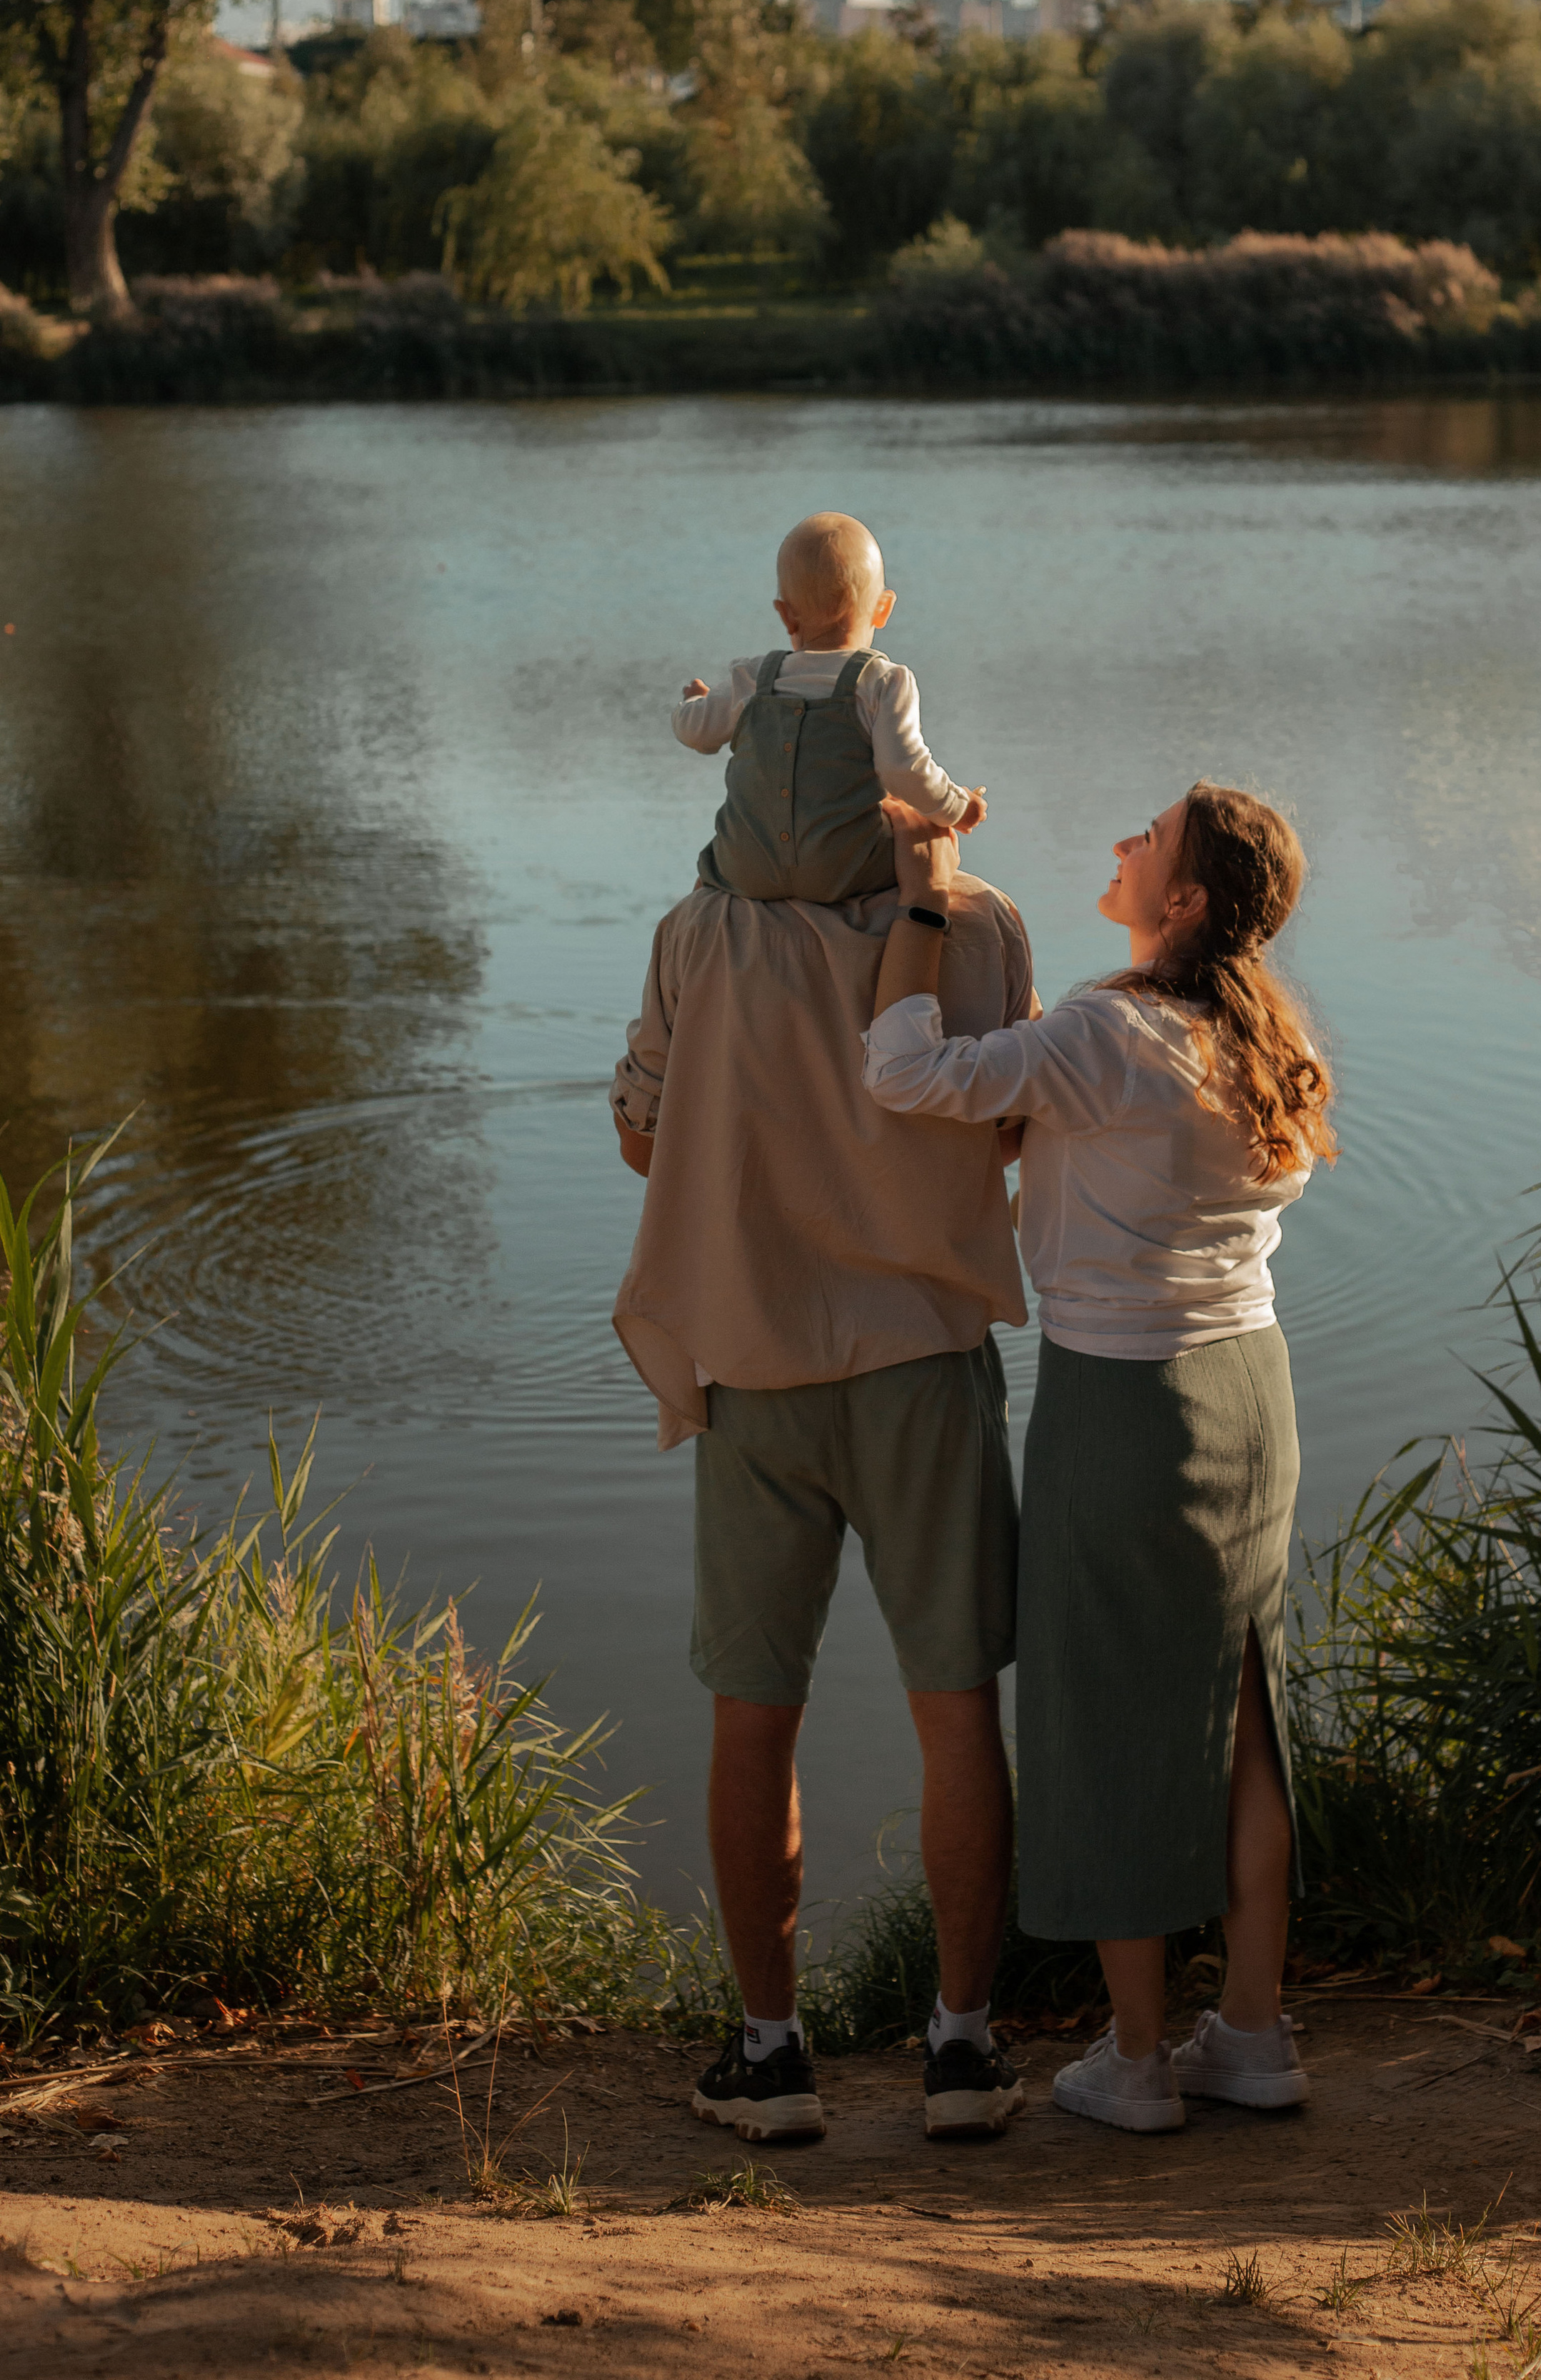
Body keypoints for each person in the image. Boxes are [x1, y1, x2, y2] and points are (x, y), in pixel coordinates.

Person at [862, 781, 1336, 2134]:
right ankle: (1251, 2032)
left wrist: (922, 897)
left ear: (1181, 901)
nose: (1123, 842)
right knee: (1241, 1718)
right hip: (1253, 1391)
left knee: (1102, 1714)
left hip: (1121, 1402)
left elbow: (904, 1076)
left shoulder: (1102, 1034)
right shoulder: (1254, 1035)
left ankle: (1136, 2062)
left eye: (1151, 840)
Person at [611, 844, 1033, 2147]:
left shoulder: (699, 930)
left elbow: (640, 1139)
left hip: (757, 1361)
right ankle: (961, 2050)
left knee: (756, 1713)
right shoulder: (981, 921)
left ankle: (771, 2056)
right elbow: (1012, 1125)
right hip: (924, 1360)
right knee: (957, 1708)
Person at [671, 510, 987, 905]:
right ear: (884, 608)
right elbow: (902, 769)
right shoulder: (883, 680)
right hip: (845, 871)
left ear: (786, 614)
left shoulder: (750, 677)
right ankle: (921, 927)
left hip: (745, 869)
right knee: (927, 835)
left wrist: (695, 701)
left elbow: (694, 732)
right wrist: (958, 807)